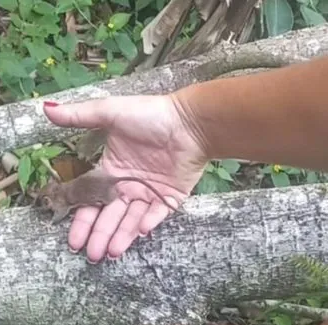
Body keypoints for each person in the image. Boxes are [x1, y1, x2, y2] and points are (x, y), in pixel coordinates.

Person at [42, 54, 328, 264]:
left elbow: (61, 211)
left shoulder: (64, 200)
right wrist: (189, 124)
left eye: (45, 200)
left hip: (103, 187)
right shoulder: (65, 190)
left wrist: (191, 123)